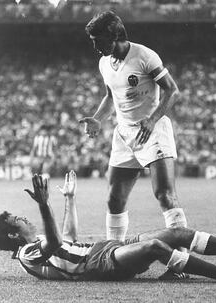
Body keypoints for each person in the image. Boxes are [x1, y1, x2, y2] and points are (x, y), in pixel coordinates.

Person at [0, 172, 216, 283]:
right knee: (154, 247)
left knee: (177, 234)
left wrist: (70, 199)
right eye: (16, 219)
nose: (22, 218)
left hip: (102, 249)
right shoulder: (27, 255)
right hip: (96, 266)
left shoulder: (35, 242)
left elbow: (67, 238)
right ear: (13, 234)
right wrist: (43, 205)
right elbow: (54, 245)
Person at [78, 11, 189, 279]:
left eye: (98, 40)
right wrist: (97, 118)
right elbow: (110, 96)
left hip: (152, 130)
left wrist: (152, 120)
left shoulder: (144, 56)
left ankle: (181, 264)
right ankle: (111, 259)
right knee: (114, 199)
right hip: (124, 134)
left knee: (164, 194)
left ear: (114, 35)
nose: (95, 46)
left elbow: (173, 90)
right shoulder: (105, 63)